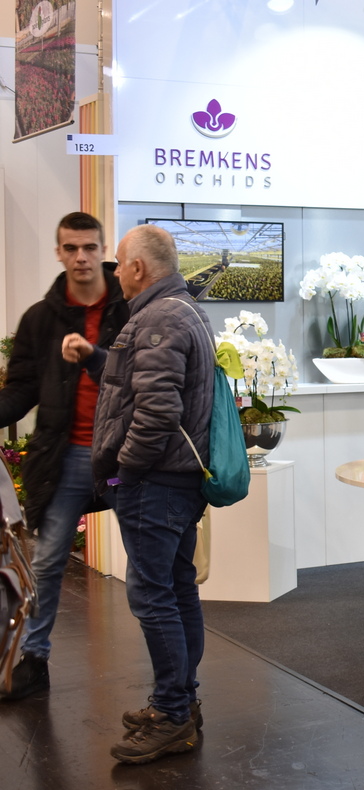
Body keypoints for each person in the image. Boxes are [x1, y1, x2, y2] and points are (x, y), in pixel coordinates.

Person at [63, 224, 215, 765]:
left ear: (137, 267)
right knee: (176, 589)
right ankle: (181, 702)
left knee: (153, 597)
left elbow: (156, 412)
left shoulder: (159, 317)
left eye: (117, 262)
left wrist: (124, 472)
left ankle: (172, 715)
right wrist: (95, 357)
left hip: (155, 484)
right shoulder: (179, 310)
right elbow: (137, 384)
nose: (113, 272)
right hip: (173, 482)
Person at [0, 212, 131, 701]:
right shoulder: (40, 318)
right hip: (67, 456)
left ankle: (172, 688)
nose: (81, 257)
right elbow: (21, 390)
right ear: (58, 252)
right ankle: (34, 660)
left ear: (103, 250)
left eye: (89, 247)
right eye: (71, 248)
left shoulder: (130, 307)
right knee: (49, 560)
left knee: (148, 568)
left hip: (126, 456)